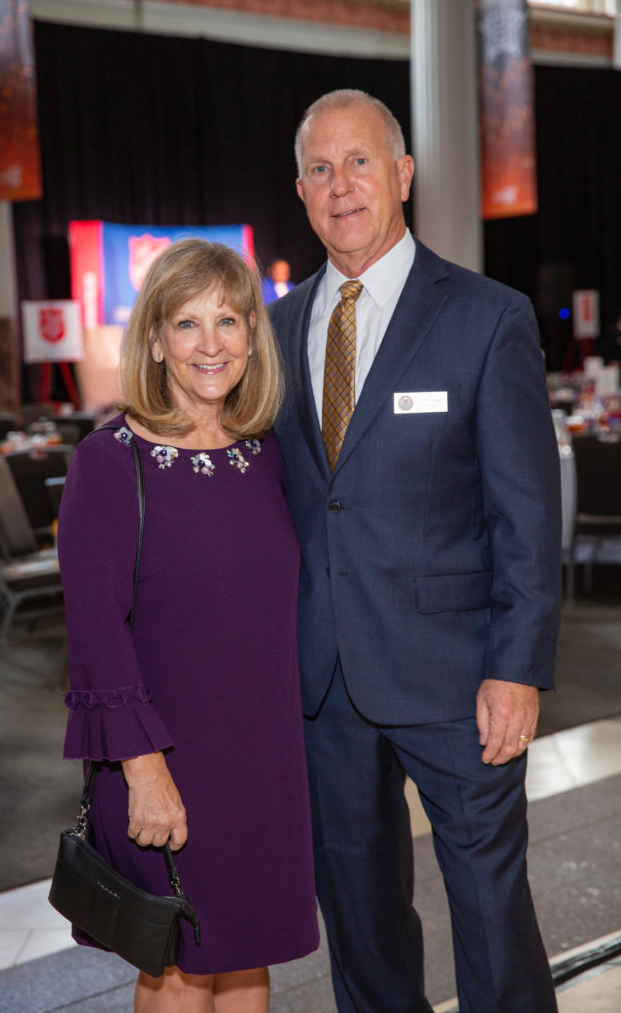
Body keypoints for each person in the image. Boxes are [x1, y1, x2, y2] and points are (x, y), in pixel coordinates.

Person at [268, 89, 562, 1013]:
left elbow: (525, 515)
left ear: (401, 176)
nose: (338, 185)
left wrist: (516, 668)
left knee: (489, 910)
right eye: (319, 168)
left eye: (358, 162)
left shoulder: (487, 316)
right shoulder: (272, 332)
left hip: (458, 680)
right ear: (301, 191)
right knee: (358, 921)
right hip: (321, 685)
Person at [57, 238, 319, 1013]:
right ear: (156, 339)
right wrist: (144, 774)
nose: (211, 344)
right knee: (176, 965)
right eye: (187, 323)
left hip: (263, 762)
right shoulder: (110, 462)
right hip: (164, 760)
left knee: (247, 957)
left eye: (229, 322)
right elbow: (95, 635)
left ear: (251, 336)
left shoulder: (266, 454)